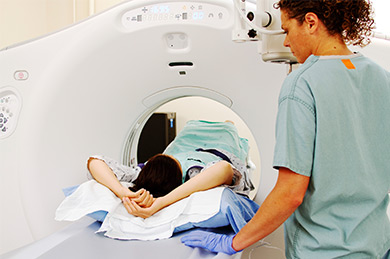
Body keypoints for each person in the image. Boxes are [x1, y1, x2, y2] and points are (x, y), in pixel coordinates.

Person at [181, 0, 390, 258]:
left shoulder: (302, 85)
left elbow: (291, 193)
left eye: (287, 30)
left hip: (325, 252)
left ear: (311, 22)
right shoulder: (383, 78)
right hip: (378, 247)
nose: (287, 42)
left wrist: (233, 242)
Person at [87, 120, 254, 218]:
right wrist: (162, 202)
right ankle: (228, 125)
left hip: (184, 143)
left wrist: (122, 192)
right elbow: (224, 168)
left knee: (192, 124)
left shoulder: (142, 174)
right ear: (179, 170)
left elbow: (95, 160)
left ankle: (200, 125)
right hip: (218, 145)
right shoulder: (195, 175)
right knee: (228, 126)